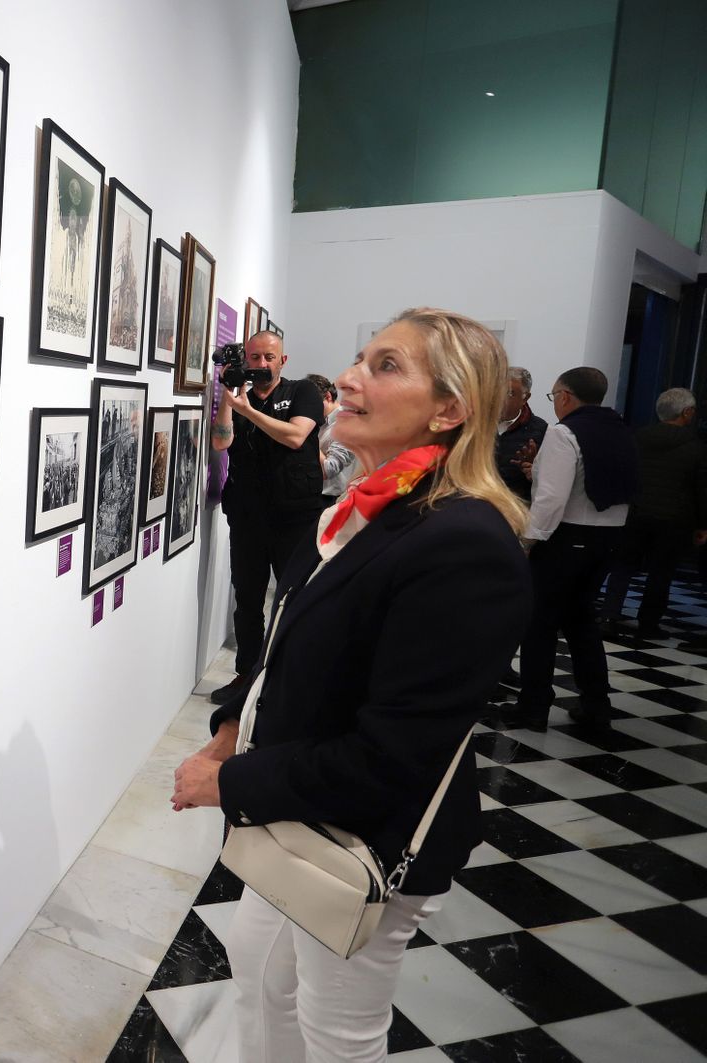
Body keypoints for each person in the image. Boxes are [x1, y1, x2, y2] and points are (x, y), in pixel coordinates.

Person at [171, 308, 530, 1063]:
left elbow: (391, 756)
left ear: (450, 408)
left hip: (365, 834)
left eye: (387, 365)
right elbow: (288, 645)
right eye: (361, 356)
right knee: (258, 969)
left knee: (338, 1027)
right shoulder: (366, 507)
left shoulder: (464, 540)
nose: (347, 377)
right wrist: (235, 721)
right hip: (306, 811)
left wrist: (231, 780)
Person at [505, 367, 638, 733]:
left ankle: (533, 708)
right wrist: (538, 471)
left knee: (539, 624)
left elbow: (551, 499)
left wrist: (528, 541)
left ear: (565, 396)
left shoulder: (564, 433)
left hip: (566, 538)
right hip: (608, 537)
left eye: (553, 396)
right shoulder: (619, 429)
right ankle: (596, 705)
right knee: (582, 622)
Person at [208, 331, 326, 703]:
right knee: (247, 598)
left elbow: (295, 437)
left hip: (296, 515)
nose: (260, 365)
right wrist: (228, 398)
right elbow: (221, 442)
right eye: (254, 358)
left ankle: (288, 678)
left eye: (268, 358)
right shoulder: (239, 394)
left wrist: (249, 411)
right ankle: (246, 675)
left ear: (282, 361)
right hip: (247, 515)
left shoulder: (303, 392)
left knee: (293, 598)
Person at [603, 387, 707, 635]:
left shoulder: (637, 438)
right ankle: (648, 623)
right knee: (661, 572)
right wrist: (702, 524)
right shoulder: (696, 446)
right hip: (674, 518)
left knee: (623, 566)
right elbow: (702, 488)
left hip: (635, 512)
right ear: (687, 412)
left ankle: (609, 615)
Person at [495, 366, 546, 501]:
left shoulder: (541, 431)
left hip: (515, 509)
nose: (500, 398)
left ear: (525, 398)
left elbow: (547, 484)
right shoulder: (474, 423)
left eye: (510, 393)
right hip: (471, 505)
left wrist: (535, 471)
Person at [307, 373, 357, 504]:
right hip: (306, 493)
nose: (308, 410)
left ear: (328, 397)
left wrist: (306, 437)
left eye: (312, 404)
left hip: (326, 498)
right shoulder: (318, 421)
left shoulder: (348, 425)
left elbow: (329, 469)